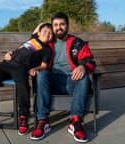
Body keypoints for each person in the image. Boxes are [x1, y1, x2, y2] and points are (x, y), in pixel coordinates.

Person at [0, 23, 53, 136]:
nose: (48, 34)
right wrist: (45, 24)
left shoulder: (47, 49)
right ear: (39, 33)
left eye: (51, 33)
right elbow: (39, 26)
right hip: (7, 63)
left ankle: (23, 116)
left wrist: (35, 68)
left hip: (20, 68)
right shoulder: (33, 38)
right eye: (45, 32)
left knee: (23, 88)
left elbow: (44, 66)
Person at [30, 12, 96, 143]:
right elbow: (29, 47)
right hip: (53, 82)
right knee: (42, 74)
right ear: (52, 26)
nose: (59, 27)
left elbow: (90, 61)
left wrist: (83, 67)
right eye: (55, 25)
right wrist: (11, 55)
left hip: (72, 81)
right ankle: (43, 121)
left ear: (67, 25)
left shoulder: (77, 43)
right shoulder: (46, 43)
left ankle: (75, 121)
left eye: (62, 24)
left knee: (83, 75)